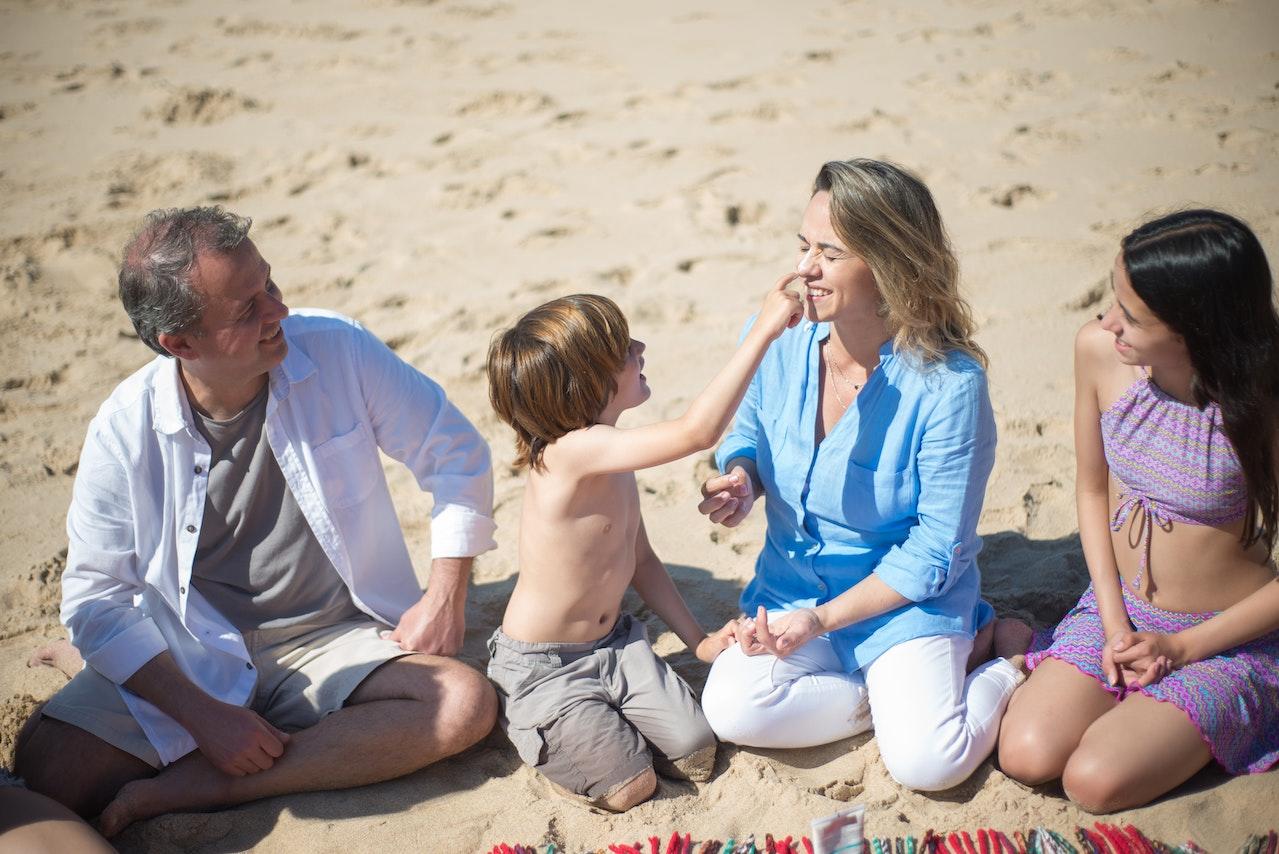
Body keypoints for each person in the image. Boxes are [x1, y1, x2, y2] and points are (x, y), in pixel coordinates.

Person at [14, 207, 499, 835]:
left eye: (269, 284)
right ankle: (118, 686)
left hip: (334, 637)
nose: (279, 311)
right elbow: (97, 601)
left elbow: (455, 453)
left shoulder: (338, 348)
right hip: (190, 651)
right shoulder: (123, 429)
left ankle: (210, 786)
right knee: (49, 771)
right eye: (247, 309)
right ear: (179, 344)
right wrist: (203, 718)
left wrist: (445, 593)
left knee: (462, 706)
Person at [696, 159, 1030, 792]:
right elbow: (748, 428)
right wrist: (741, 475)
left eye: (830, 252)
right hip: (791, 593)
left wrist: (824, 623)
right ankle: (890, 696)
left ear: (888, 266)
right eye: (803, 246)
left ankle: (1005, 656)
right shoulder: (779, 338)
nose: (804, 269)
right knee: (730, 708)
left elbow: (937, 550)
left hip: (902, 606)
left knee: (928, 765)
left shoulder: (950, 385)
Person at [998, 210, 1279, 812]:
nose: (1107, 321)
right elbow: (1093, 491)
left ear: (1192, 330)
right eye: (1112, 298)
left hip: (1228, 635)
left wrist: (1182, 649)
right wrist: (1113, 617)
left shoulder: (1263, 402)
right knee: (1026, 754)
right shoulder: (1099, 352)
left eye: (1131, 315)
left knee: (1093, 782)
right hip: (1119, 612)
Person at [484, 283, 801, 811]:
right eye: (625, 349)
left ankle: (593, 726)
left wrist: (697, 639)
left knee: (695, 750)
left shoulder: (612, 454)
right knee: (632, 787)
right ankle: (527, 713)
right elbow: (698, 433)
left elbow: (643, 561)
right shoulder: (572, 453)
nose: (641, 349)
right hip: (544, 665)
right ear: (586, 383)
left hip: (615, 644)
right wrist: (765, 329)